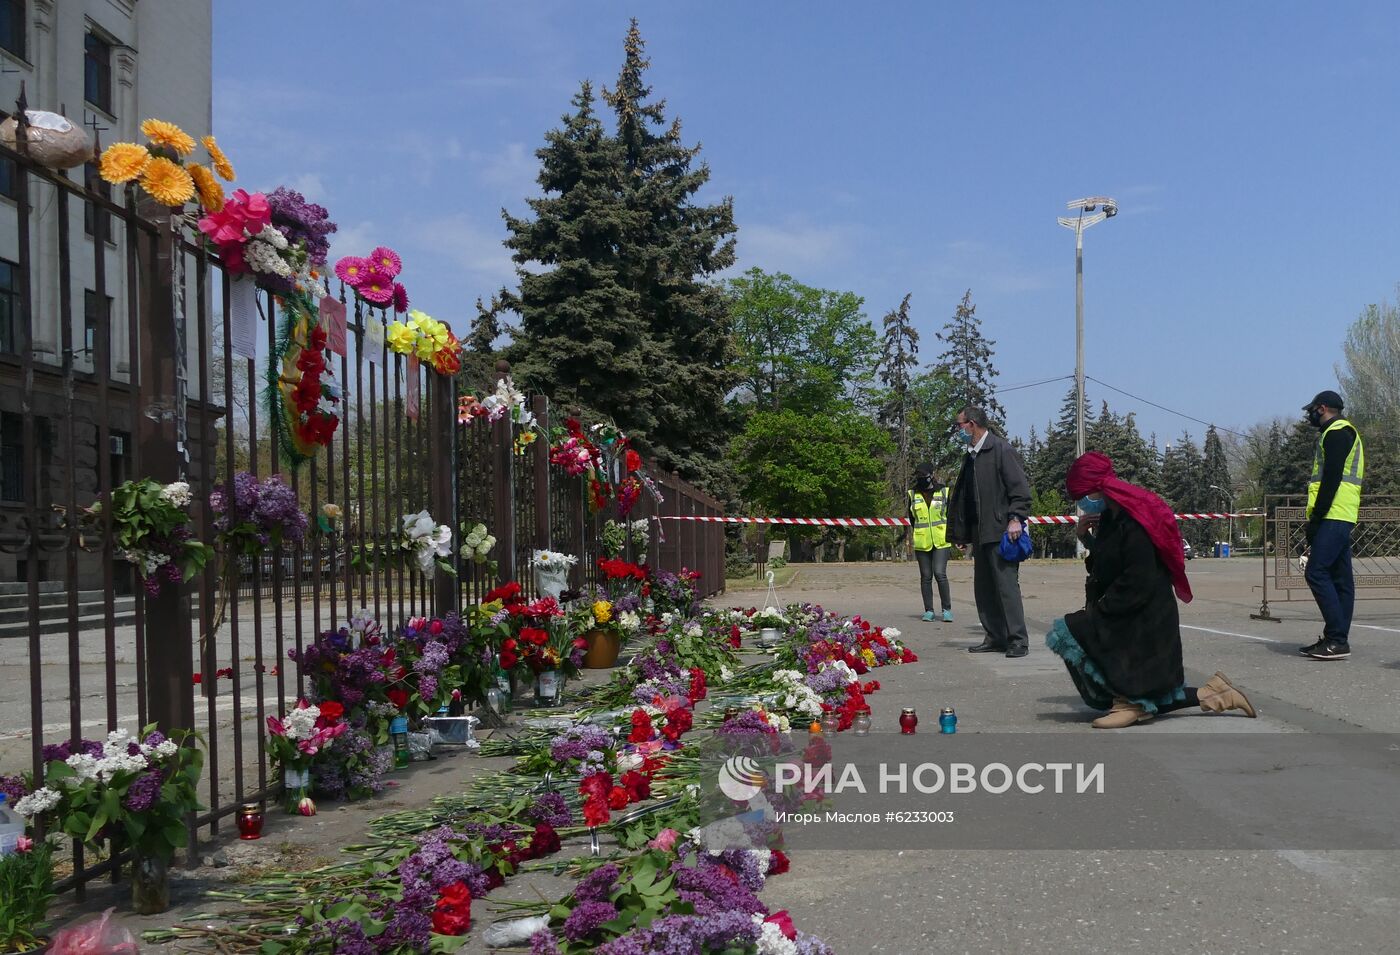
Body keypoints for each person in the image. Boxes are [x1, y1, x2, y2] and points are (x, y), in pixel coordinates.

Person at [1046, 451, 1257, 728]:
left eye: (1085, 495)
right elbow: (1107, 567)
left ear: (1099, 489)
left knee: (1072, 629)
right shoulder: (1110, 516)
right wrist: (1086, 538)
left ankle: (1129, 703)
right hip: (1130, 607)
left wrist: (1103, 613)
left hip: (1144, 614)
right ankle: (1215, 693)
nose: (1083, 503)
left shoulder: (1135, 521)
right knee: (1154, 690)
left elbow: (1139, 577)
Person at [947, 406, 1033, 657]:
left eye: (959, 425)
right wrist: (962, 534)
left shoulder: (1000, 449)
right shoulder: (971, 455)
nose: (958, 430)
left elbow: (1020, 489)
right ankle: (995, 637)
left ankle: (1018, 640)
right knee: (984, 589)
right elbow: (966, 498)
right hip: (979, 532)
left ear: (972, 424)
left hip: (1001, 531)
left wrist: (1016, 518)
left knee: (1006, 587)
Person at [1298, 390, 1363, 661]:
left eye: (1312, 410)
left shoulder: (1336, 432)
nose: (1310, 416)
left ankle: (1337, 639)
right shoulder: (1343, 432)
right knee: (1340, 579)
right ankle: (1335, 639)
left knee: (1316, 571)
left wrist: (1316, 519)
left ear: (1322, 408)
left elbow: (1332, 478)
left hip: (1334, 513)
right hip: (1342, 512)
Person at [907, 463, 954, 622]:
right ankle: (929, 611)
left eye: (924, 476)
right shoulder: (912, 494)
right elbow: (912, 519)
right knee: (926, 576)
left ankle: (946, 609)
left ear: (931, 474)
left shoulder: (944, 491)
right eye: (919, 476)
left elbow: (950, 515)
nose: (922, 479)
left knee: (940, 573)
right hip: (922, 541)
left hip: (941, 540)